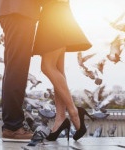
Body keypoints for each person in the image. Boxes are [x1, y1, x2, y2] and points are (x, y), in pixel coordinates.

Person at [33, 0, 93, 141]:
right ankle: (60, 117)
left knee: (47, 66)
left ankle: (73, 111)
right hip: (56, 12)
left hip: (53, 13)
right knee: (57, 70)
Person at [0, 0, 42, 142]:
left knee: (15, 67)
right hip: (20, 10)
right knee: (17, 69)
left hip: (15, 9)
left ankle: (13, 125)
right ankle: (13, 127)